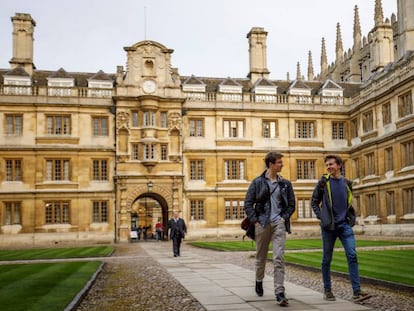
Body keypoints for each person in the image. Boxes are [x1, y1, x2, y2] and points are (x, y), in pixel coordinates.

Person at [311, 154, 369, 301]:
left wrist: (352, 218)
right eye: (327, 165)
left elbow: (348, 203)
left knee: (352, 255)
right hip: (329, 227)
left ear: (339, 165)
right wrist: (322, 217)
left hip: (344, 225)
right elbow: (314, 202)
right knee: (326, 259)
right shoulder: (323, 182)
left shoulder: (347, 183)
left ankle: (356, 291)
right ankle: (327, 290)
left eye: (331, 164)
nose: (328, 167)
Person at [244, 151, 296, 306]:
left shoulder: (285, 183)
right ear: (271, 164)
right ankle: (259, 280)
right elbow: (248, 203)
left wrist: (284, 217)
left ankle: (280, 292)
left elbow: (291, 205)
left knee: (279, 257)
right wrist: (255, 221)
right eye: (279, 162)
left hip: (278, 224)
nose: (282, 164)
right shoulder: (257, 182)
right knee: (261, 258)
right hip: (262, 224)